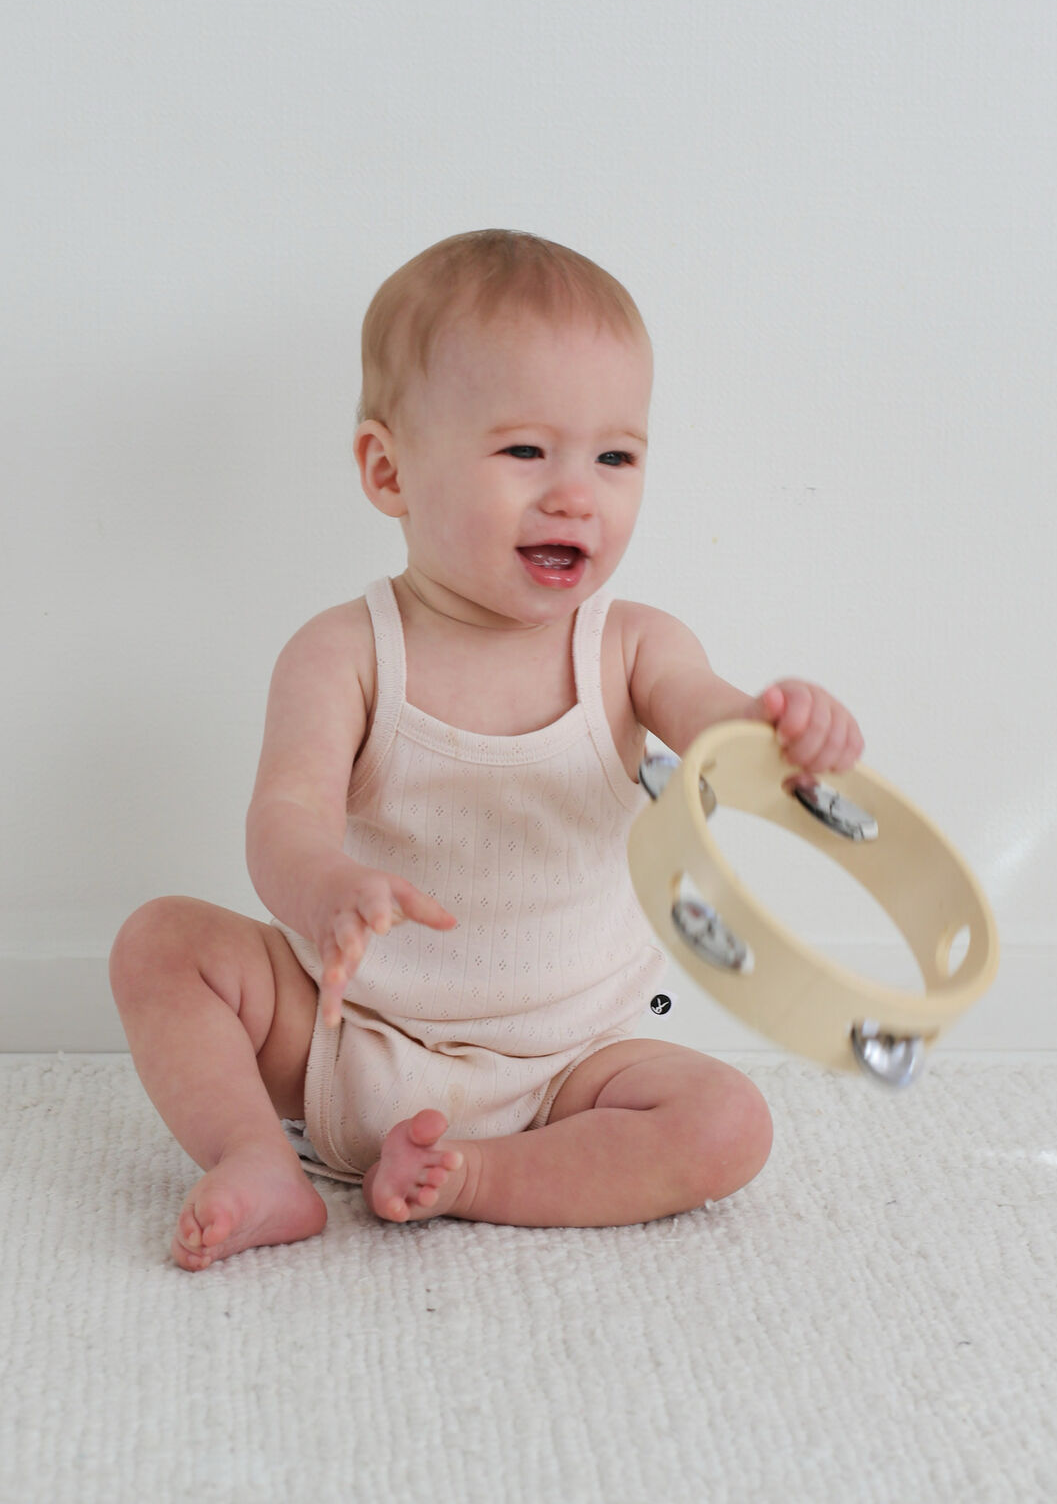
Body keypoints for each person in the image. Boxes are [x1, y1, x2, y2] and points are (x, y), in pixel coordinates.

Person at [109, 229, 864, 1271]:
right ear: (388, 470)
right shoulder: (343, 654)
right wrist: (322, 885)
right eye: (524, 451)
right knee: (161, 943)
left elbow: (717, 733)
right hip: (350, 1039)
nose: (575, 494)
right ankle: (256, 1160)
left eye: (615, 456)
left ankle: (474, 1176)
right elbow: (284, 820)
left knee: (727, 1121)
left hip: (572, 1067)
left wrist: (784, 733)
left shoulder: (634, 646)